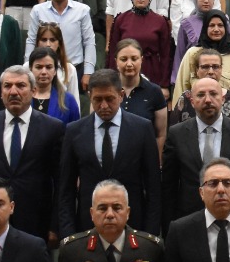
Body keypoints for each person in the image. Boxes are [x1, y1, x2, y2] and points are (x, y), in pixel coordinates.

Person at [0, 66, 68, 243]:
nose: (13, 91)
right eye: (7, 86)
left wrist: (55, 224)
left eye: (20, 85)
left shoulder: (53, 128)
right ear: (1, 92)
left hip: (36, 223)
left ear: (34, 90)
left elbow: (61, 181)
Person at [58, 71, 162, 243]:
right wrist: (68, 236)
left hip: (134, 228)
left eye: (109, 99)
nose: (104, 106)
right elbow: (66, 190)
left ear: (121, 95)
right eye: (98, 100)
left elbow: (153, 187)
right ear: (90, 96)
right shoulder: (74, 131)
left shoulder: (142, 129)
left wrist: (150, 235)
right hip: (86, 228)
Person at [164, 76, 230, 218]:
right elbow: (169, 186)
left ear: (222, 99)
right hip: (189, 219)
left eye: (213, 94)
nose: (208, 100)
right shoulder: (176, 134)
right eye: (201, 95)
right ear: (192, 102)